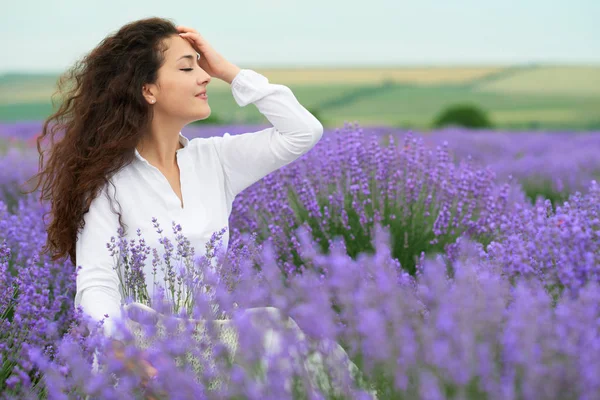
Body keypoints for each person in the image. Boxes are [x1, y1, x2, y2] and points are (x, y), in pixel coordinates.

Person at [27, 16, 324, 389]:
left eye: (202, 67)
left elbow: (303, 131)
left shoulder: (216, 160)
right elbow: (96, 284)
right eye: (187, 67)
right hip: (139, 359)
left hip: (211, 350)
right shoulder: (107, 182)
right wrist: (125, 355)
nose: (203, 77)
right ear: (148, 90)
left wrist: (230, 71)